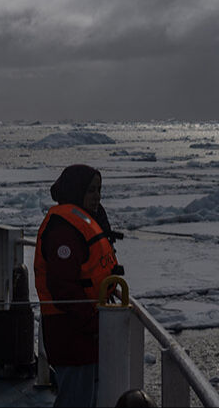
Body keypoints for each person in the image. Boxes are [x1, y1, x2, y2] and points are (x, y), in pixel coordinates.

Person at [34, 164, 124, 408]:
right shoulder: (63, 230)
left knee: (87, 396)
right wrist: (92, 323)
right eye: (91, 190)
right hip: (71, 332)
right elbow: (63, 287)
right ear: (76, 191)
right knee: (76, 398)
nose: (97, 196)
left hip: (85, 330)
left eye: (99, 190)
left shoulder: (79, 222)